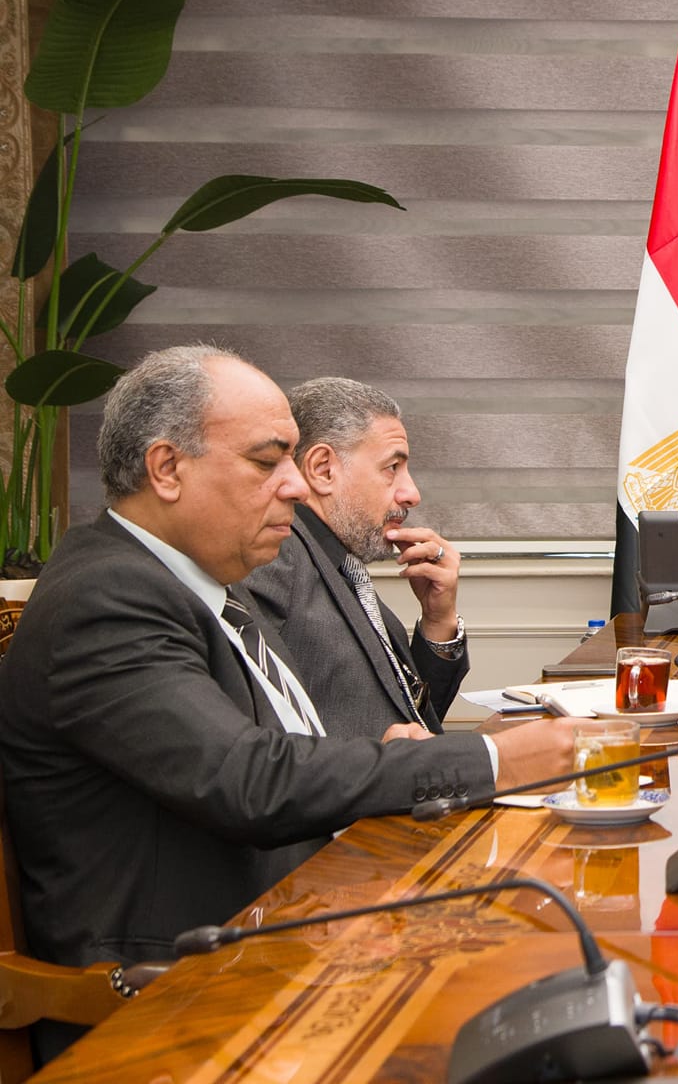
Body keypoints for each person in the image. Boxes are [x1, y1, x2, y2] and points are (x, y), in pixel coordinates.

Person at [0, 347, 582, 995]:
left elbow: (271, 750)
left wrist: (383, 752)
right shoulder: (105, 600)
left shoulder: (208, 581)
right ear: (167, 469)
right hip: (182, 987)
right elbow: (246, 780)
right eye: (266, 460)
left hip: (298, 917)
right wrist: (494, 760)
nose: (298, 485)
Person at [244, 378, 466, 739]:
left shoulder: (338, 563)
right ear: (323, 469)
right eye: (392, 467)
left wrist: (438, 621)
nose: (411, 494)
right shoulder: (275, 555)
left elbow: (408, 719)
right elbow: (263, 740)